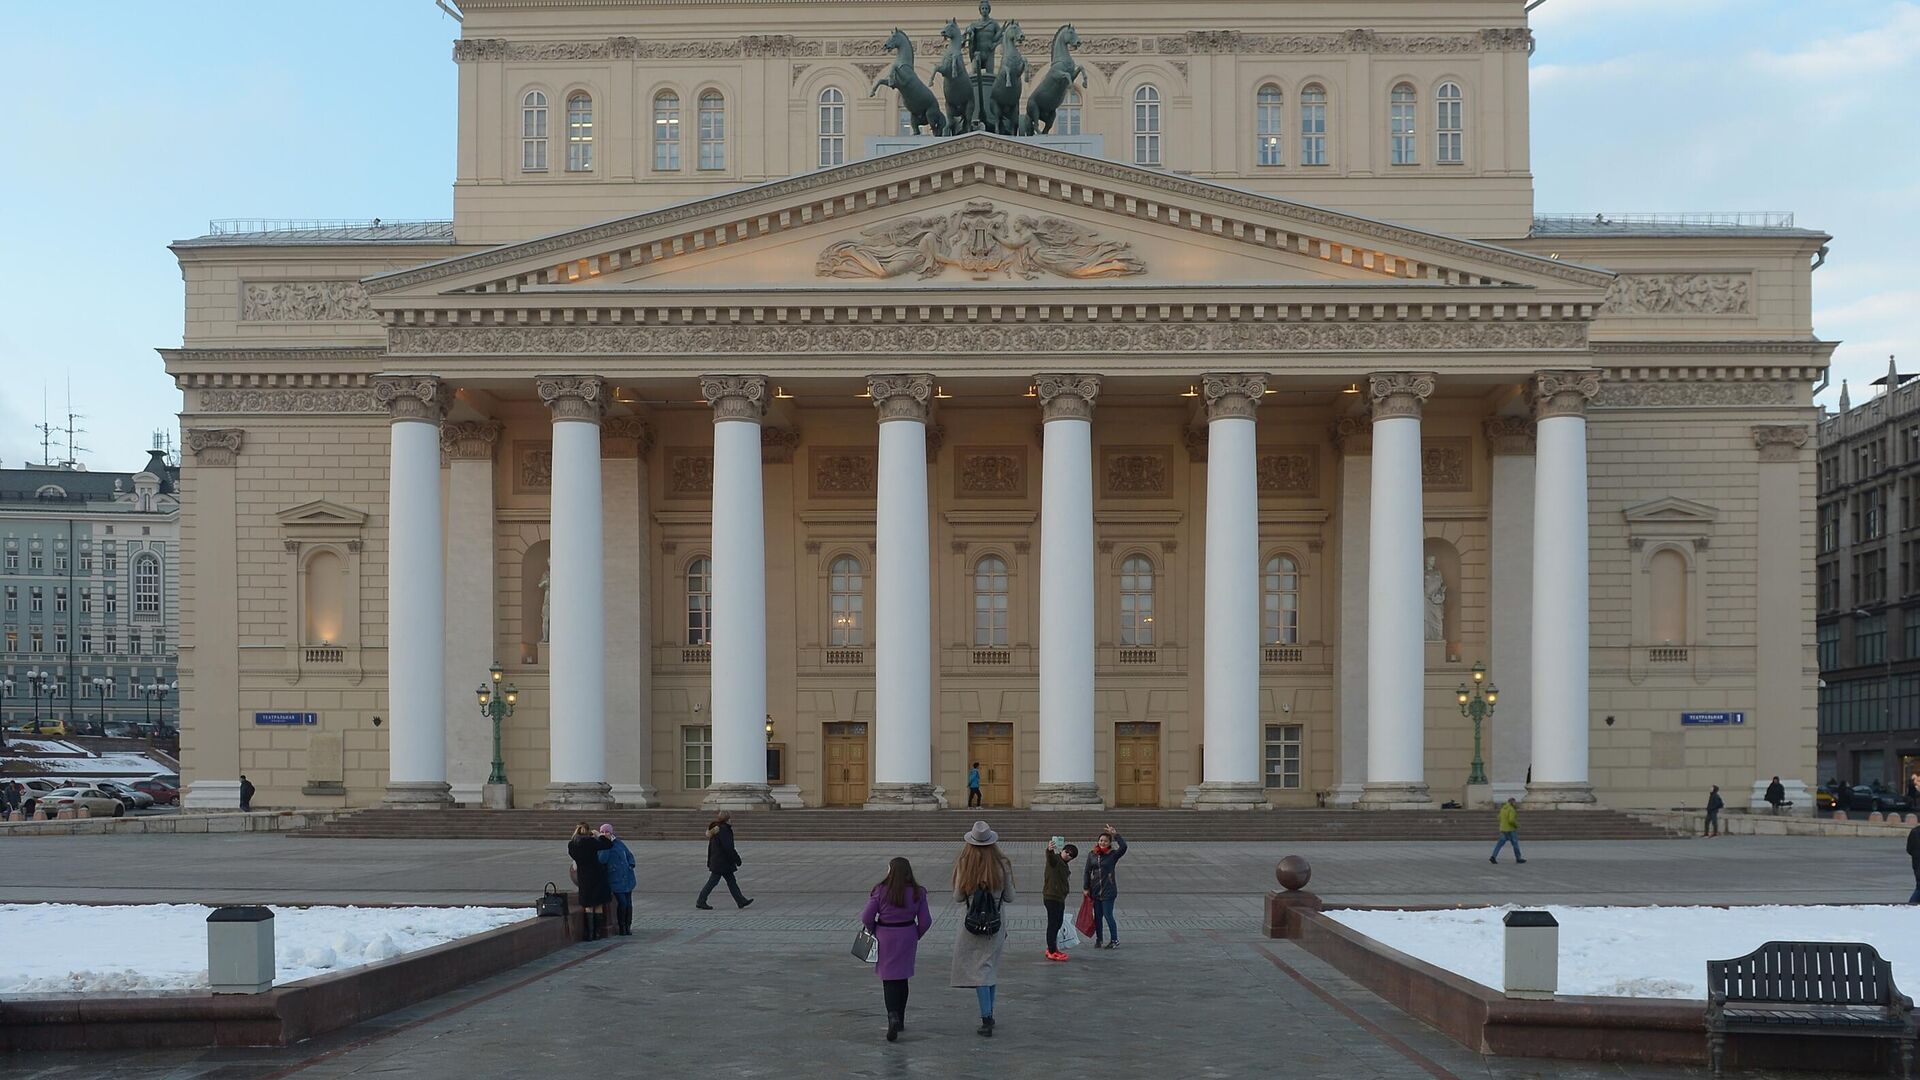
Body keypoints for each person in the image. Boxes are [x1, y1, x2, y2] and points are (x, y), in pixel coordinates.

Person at [951, 819, 1014, 1037]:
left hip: (971, 924)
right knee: (988, 969)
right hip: (996, 924)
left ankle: (987, 1017)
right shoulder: (1002, 864)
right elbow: (1010, 897)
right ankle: (989, 1013)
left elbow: (958, 897)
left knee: (979, 972)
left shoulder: (964, 864)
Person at [861, 856, 934, 1042]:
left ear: (890, 871)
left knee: (889, 980)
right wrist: (915, 933)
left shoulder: (880, 891)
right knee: (903, 977)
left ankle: (892, 1015)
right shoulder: (918, 892)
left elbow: (866, 917)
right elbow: (926, 921)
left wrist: (874, 929)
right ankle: (900, 1019)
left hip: (886, 935)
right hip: (907, 934)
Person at [1082, 824, 1128, 949]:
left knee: (1108, 915)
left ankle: (1114, 940)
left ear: (1109, 843)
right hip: (1095, 891)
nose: (1102, 843)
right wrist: (1086, 888)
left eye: (1105, 841)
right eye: (1101, 840)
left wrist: (1115, 834)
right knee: (1097, 917)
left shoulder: (1113, 855)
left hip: (1109, 891)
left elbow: (1124, 847)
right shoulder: (1092, 854)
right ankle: (1099, 939)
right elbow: (1086, 871)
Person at [697, 810, 754, 910]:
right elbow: (728, 847)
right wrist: (737, 859)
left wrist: (710, 860)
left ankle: (741, 901)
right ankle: (701, 901)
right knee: (713, 882)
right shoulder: (724, 830)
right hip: (722, 862)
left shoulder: (716, 829)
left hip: (719, 861)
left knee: (731, 881)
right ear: (727, 819)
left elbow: (711, 847)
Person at [568, 822, 613, 939]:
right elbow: (608, 844)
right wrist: (599, 835)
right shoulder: (591, 842)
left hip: (583, 877)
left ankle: (590, 933)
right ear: (588, 831)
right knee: (598, 904)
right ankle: (597, 933)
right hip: (597, 875)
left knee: (588, 905)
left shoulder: (572, 845)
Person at [597, 823, 637, 936]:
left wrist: (631, 865)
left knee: (629, 903)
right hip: (615, 878)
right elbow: (602, 860)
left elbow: (629, 854)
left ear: (611, 832)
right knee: (622, 903)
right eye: (603, 832)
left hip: (627, 877)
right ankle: (622, 926)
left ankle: (628, 926)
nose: (605, 834)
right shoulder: (602, 845)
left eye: (607, 831)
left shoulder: (618, 843)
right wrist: (607, 846)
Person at [1042, 837, 1077, 961]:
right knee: (1053, 923)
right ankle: (1051, 950)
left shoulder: (1064, 865)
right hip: (1051, 896)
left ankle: (1052, 947)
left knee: (1058, 922)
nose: (1068, 855)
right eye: (1066, 851)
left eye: (1071, 855)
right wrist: (1049, 849)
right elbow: (1050, 858)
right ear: (1062, 850)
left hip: (1059, 898)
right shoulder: (1056, 860)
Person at [1490, 797, 1526, 864]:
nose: (1515, 804)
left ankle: (1493, 857)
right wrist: (1517, 825)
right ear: (1512, 802)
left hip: (1503, 829)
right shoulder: (1511, 809)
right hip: (1510, 830)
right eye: (1514, 802)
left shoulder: (1503, 808)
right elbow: (1511, 820)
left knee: (1499, 844)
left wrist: (1503, 823)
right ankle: (1518, 858)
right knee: (1515, 844)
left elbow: (1499, 817)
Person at [1908, 822, 1920, 904]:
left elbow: (1909, 849)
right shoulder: (1915, 832)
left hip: (1917, 864)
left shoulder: (1914, 831)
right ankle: (1910, 906)